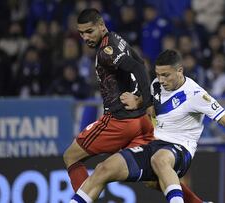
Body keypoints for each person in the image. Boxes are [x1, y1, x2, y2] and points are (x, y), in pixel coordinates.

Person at [70, 49, 225, 203]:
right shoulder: (156, 85)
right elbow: (153, 106)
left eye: (166, 75)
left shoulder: (196, 94)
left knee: (160, 160)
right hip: (153, 144)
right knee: (103, 168)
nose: (161, 79)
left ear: (180, 71)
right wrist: (138, 101)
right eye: (158, 74)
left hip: (180, 149)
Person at [64, 9, 203, 203]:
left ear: (101, 26)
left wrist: (146, 102)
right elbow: (140, 63)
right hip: (141, 122)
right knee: (154, 179)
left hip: (118, 122)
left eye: (89, 31)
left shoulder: (106, 52)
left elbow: (137, 68)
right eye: (81, 33)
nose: (85, 37)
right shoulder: (116, 39)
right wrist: (139, 97)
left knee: (71, 156)